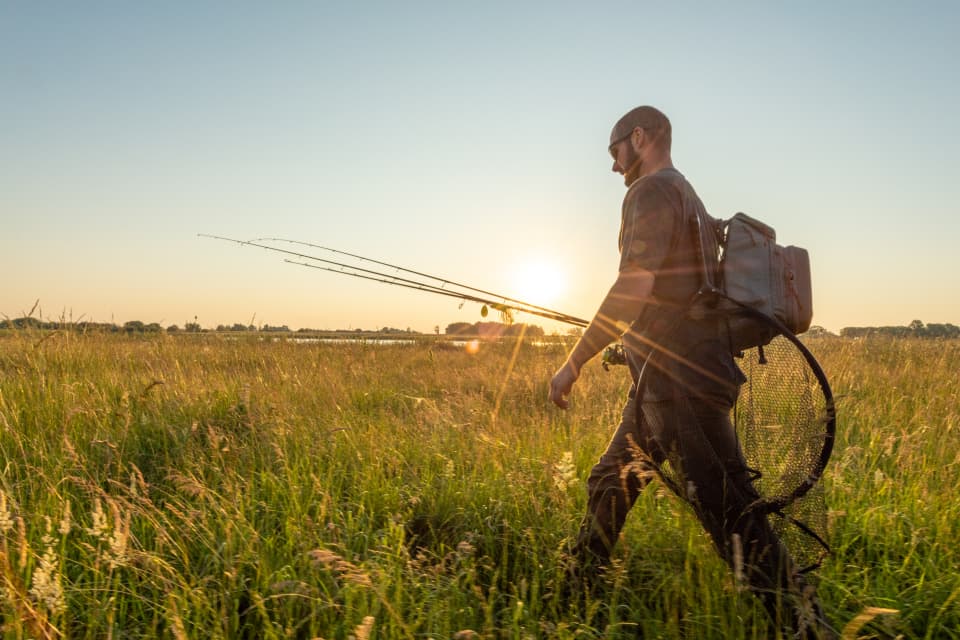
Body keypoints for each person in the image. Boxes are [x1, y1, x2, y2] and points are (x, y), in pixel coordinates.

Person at [548, 106, 834, 638]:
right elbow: (679, 299)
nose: (613, 166)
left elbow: (634, 285)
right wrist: (625, 348)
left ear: (640, 137)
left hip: (681, 390)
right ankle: (572, 601)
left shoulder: (651, 192)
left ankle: (807, 627)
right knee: (610, 480)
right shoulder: (689, 197)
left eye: (614, 150)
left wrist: (574, 361)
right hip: (666, 380)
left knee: (731, 517)